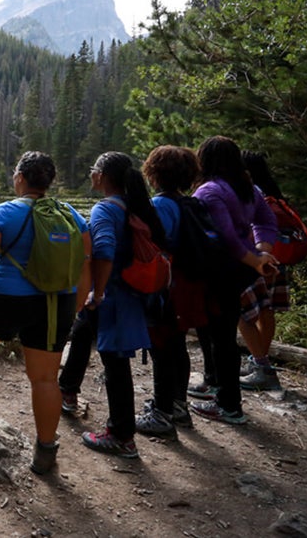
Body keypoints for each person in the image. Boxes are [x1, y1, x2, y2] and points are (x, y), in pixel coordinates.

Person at [0, 151, 91, 474]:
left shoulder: (3, 213)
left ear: (19, 178)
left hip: (9, 299)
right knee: (45, 378)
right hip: (59, 303)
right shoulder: (72, 215)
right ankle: (45, 452)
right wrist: (78, 302)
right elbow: (86, 264)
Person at [78, 152, 165, 458]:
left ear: (102, 176)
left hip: (114, 297)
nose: (91, 174)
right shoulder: (137, 205)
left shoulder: (104, 210)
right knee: (116, 364)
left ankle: (121, 435)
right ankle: (122, 431)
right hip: (134, 296)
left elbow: (103, 251)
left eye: (93, 170)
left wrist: (96, 293)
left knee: (115, 366)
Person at [189, 137, 279, 423]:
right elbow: (266, 222)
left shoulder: (209, 191)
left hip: (222, 270)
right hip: (243, 270)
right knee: (225, 333)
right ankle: (225, 397)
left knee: (221, 337)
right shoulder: (249, 188)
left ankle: (228, 404)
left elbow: (226, 237)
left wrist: (256, 259)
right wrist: (263, 253)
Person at [136, 145, 199, 439]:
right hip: (185, 285)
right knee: (176, 346)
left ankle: (161, 414)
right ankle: (178, 405)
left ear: (154, 172)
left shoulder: (160, 205)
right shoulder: (187, 203)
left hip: (165, 287)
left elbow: (151, 246)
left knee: (161, 347)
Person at [239, 151, 290, 392]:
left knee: (244, 312)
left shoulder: (251, 191)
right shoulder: (273, 191)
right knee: (266, 310)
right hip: (276, 259)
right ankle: (260, 361)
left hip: (256, 259)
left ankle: (260, 365)